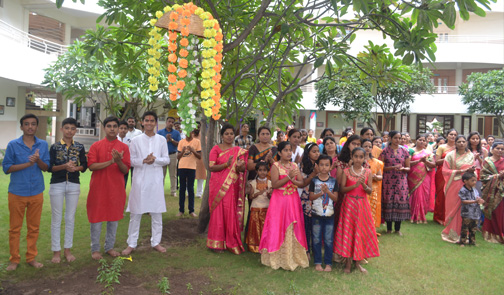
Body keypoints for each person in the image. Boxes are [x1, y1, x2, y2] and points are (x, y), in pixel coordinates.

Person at [3, 114, 49, 271]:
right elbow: (7, 168)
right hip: (17, 192)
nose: (30, 127)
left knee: (34, 227)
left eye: (33, 124)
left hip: (36, 192)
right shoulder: (13, 145)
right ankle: (14, 259)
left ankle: (31, 257)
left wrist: (38, 161)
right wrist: (28, 163)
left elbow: (46, 167)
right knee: (15, 228)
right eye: (27, 124)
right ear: (21, 127)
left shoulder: (43, 145)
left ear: (37, 126)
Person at [122, 111, 170, 256]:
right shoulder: (136, 140)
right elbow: (130, 160)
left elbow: (166, 159)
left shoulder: (161, 140)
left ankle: (156, 242)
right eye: (146, 120)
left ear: (155, 123)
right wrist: (143, 160)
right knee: (136, 213)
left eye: (152, 120)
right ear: (142, 122)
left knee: (156, 212)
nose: (149, 123)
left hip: (155, 181)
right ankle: (131, 243)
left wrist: (154, 160)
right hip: (140, 181)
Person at [259, 141, 309, 270]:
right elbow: (275, 184)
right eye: (285, 150)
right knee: (278, 225)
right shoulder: (275, 166)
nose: (288, 153)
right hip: (279, 200)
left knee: (293, 225)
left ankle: (292, 257)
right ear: (279, 153)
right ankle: (277, 257)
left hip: (292, 199)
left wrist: (294, 180)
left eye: (290, 150)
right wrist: (289, 177)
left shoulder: (294, 165)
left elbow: (301, 183)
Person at [87, 116, 131, 260]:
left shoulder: (123, 147)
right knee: (97, 219)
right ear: (104, 128)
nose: (112, 129)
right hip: (98, 189)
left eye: (114, 126)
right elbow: (92, 166)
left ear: (118, 129)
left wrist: (118, 162)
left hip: (115, 189)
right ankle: (95, 249)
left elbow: (125, 170)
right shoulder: (96, 146)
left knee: (113, 219)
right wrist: (111, 161)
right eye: (109, 126)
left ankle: (109, 247)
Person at [48, 118, 87, 263]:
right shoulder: (55, 147)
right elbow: (50, 167)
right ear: (61, 129)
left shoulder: (80, 147)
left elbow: (84, 166)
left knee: (70, 218)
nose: (69, 131)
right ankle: (56, 251)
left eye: (72, 128)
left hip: (73, 184)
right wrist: (64, 166)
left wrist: (75, 168)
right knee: (56, 218)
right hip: (57, 184)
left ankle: (67, 250)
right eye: (67, 128)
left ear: (75, 131)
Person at [334, 147, 379, 274]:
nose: (358, 159)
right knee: (348, 231)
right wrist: (354, 185)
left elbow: (370, 191)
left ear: (364, 158)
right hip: (349, 205)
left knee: (359, 231)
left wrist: (364, 186)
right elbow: (342, 189)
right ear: (352, 158)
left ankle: (358, 262)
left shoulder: (368, 172)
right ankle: (347, 263)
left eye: (361, 157)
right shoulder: (346, 171)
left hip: (362, 206)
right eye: (356, 156)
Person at [207, 124, 248, 254]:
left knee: (230, 211)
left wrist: (240, 166)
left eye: (231, 134)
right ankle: (216, 243)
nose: (229, 136)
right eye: (227, 134)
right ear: (222, 135)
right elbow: (211, 167)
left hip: (232, 186)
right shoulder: (216, 149)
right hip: (218, 185)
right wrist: (226, 164)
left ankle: (230, 241)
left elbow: (240, 170)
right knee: (218, 212)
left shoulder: (237, 150)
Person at [441, 135, 475, 243]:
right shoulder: (450, 155)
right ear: (455, 143)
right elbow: (445, 171)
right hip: (454, 184)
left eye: (463, 141)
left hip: (467, 185)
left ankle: (465, 234)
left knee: (465, 208)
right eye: (459, 141)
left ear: (466, 143)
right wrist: (459, 172)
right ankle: (452, 232)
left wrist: (471, 172)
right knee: (453, 208)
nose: (461, 143)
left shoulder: (471, 155)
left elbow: (475, 172)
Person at [309, 155, 338, 272]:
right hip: (316, 215)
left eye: (327, 165)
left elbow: (335, 198)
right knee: (316, 239)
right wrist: (320, 193)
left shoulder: (333, 181)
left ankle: (328, 263)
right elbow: (311, 197)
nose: (324, 167)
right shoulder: (314, 180)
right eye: (321, 165)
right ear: (317, 166)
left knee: (328, 239)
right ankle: (317, 262)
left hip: (329, 216)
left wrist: (327, 192)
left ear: (331, 167)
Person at [380, 130, 410, 236]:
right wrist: (392, 167)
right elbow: (381, 168)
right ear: (390, 139)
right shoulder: (384, 151)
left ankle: (397, 229)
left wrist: (403, 168)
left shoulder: (405, 151)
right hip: (388, 181)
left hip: (401, 181)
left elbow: (408, 167)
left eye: (399, 138)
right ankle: (389, 228)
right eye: (395, 138)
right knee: (388, 202)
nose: (398, 140)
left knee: (400, 201)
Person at [298, 142, 321, 255]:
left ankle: (316, 250)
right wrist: (314, 173)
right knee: (306, 225)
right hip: (305, 199)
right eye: (314, 151)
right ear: (308, 153)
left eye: (318, 151)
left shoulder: (321, 165)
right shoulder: (301, 166)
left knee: (316, 227)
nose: (317, 154)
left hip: (318, 199)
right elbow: (302, 183)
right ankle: (306, 250)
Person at [408, 134, 436, 224]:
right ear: (416, 140)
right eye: (420, 139)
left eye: (424, 140)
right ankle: (412, 214)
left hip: (425, 177)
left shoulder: (429, 153)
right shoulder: (410, 151)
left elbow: (433, 165)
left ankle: (421, 214)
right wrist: (418, 161)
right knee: (414, 194)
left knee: (424, 194)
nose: (422, 142)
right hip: (412, 176)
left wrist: (425, 161)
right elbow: (407, 164)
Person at [245, 162, 272, 253]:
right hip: (255, 208)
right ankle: (255, 247)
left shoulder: (270, 183)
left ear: (268, 171)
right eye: (260, 170)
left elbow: (272, 197)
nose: (262, 172)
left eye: (264, 170)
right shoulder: (253, 182)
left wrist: (268, 195)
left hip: (266, 208)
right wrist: (258, 193)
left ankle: (265, 246)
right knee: (255, 229)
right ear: (257, 171)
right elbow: (250, 197)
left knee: (265, 229)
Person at [481, 142, 504, 243]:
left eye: (502, 149)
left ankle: (501, 232)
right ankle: (491, 233)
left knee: (501, 212)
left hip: (502, 191)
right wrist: (497, 176)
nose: (500, 151)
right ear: (492, 149)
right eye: (498, 148)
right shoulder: (487, 161)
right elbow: (483, 177)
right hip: (491, 191)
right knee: (492, 211)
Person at [434, 129, 458, 224]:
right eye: (451, 134)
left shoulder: (458, 147)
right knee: (441, 195)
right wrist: (448, 159)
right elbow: (437, 162)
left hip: (454, 173)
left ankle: (450, 217)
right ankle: (439, 217)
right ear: (447, 136)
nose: (453, 136)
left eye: (455, 135)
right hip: (442, 173)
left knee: (452, 195)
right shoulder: (442, 147)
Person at [177, 129, 202, 217]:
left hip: (192, 167)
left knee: (190, 189)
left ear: (192, 132)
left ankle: (191, 210)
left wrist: (193, 150)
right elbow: (178, 157)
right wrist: (183, 151)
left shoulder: (197, 142)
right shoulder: (181, 142)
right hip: (182, 167)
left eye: (190, 131)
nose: (188, 133)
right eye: (186, 131)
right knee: (182, 189)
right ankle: (181, 210)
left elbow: (199, 156)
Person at [362, 139, 384, 230]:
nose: (367, 148)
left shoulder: (377, 162)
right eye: (365, 146)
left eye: (370, 146)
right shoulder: (358, 161)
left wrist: (375, 177)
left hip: (373, 191)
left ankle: (371, 232)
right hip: (360, 190)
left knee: (371, 212)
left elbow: (380, 177)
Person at [458, 172, 484, 246]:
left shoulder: (475, 190)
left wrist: (480, 200)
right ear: (465, 181)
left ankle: (472, 242)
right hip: (466, 213)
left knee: (473, 229)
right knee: (465, 228)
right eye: (472, 180)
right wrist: (475, 201)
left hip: (475, 213)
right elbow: (463, 201)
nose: (474, 182)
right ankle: (462, 242)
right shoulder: (463, 190)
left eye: (475, 180)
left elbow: (477, 197)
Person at [158, 117, 181, 198]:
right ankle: (160, 190)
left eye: (172, 122)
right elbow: (157, 144)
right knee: (161, 174)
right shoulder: (160, 132)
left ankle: (173, 191)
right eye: (169, 121)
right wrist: (166, 140)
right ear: (166, 122)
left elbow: (179, 144)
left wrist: (171, 139)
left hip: (172, 155)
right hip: (162, 155)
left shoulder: (176, 133)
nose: (170, 123)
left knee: (173, 174)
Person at [467, 132, 488, 196]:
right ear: (469, 140)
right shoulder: (466, 150)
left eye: (477, 138)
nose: (475, 140)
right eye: (473, 138)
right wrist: (474, 158)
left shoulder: (484, 150)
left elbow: (486, 164)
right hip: (469, 171)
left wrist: (478, 158)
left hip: (480, 172)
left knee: (478, 192)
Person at [193, 127, 206, 198]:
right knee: (189, 176)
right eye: (196, 126)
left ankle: (199, 193)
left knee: (201, 176)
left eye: (199, 127)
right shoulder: (190, 137)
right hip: (191, 159)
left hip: (201, 158)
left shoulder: (204, 138)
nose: (197, 128)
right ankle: (189, 192)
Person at [118, 120, 132, 187]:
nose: (123, 130)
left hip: (125, 165)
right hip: (115, 164)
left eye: (125, 128)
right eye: (121, 128)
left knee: (124, 183)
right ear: (118, 129)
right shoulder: (115, 139)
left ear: (128, 130)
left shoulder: (130, 141)